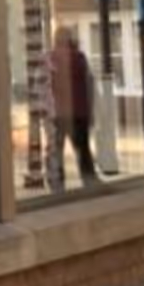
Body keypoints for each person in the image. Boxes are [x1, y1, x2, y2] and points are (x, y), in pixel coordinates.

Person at [49, 27, 98, 188]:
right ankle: (89, 179)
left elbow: (47, 86)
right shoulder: (79, 58)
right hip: (79, 112)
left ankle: (57, 182)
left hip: (57, 113)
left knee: (57, 150)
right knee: (83, 149)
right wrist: (90, 111)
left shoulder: (51, 59)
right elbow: (89, 84)